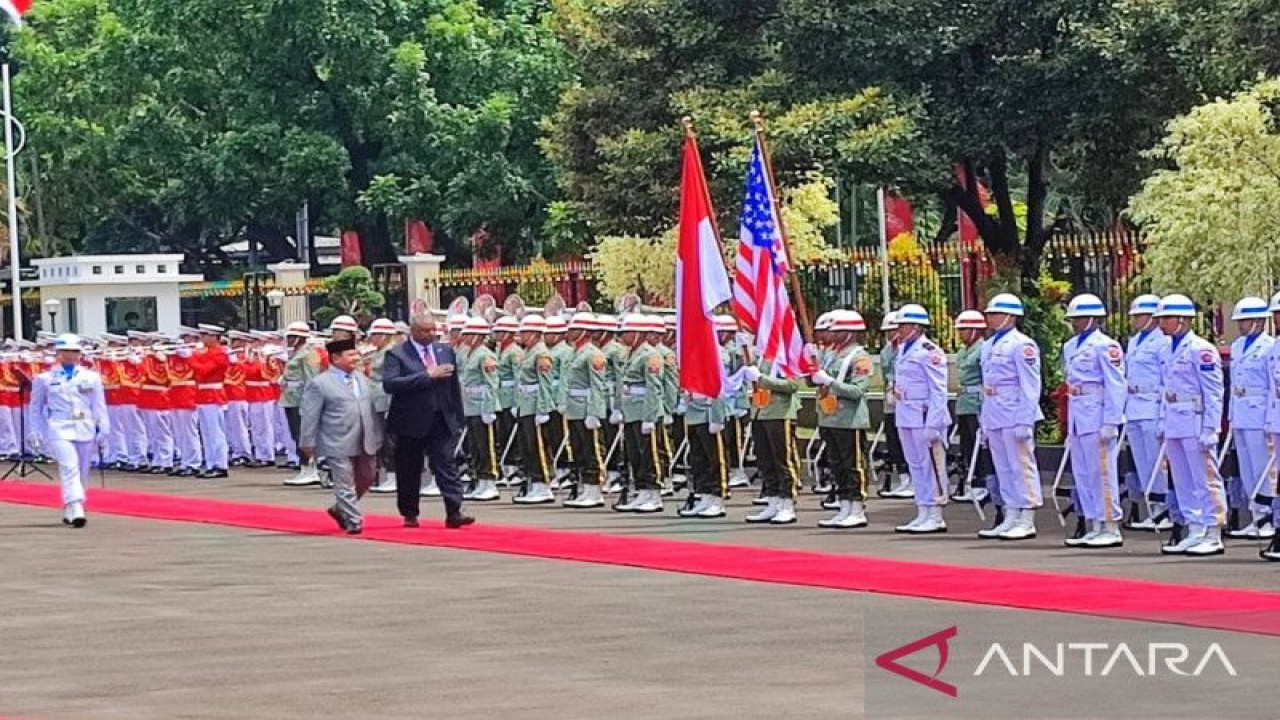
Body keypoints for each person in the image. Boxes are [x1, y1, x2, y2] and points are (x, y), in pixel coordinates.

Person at [381, 313, 474, 529]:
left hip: (441, 418)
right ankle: (410, 513)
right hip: (410, 421)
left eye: (434, 330)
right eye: (426, 330)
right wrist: (427, 375)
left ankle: (454, 510)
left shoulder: (445, 351)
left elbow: (453, 388)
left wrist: (458, 418)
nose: (432, 334)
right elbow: (391, 384)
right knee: (409, 469)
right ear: (413, 332)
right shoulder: (397, 354)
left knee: (446, 464)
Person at [1154, 294, 1228, 556]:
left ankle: (1213, 530)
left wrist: (1211, 428)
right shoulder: (1165, 349)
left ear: (1183, 320)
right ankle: (1195, 527)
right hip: (1175, 418)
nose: (1161, 323)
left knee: (1205, 478)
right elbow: (1165, 388)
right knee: (1183, 480)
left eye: (1166, 318)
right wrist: (1162, 421)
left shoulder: (1201, 350)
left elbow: (1214, 391)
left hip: (1195, 419)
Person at [1061, 293, 1128, 549]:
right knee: (1084, 473)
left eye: (1079, 318)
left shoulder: (1105, 346)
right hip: (1079, 414)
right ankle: (1094, 522)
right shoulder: (1071, 346)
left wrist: (1111, 420)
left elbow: (1115, 384)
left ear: (1092, 319)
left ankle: (1110, 524)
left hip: (1097, 412)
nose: (1075, 323)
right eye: (1073, 319)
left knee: (1103, 472)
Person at [300, 337, 383, 535]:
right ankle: (353, 519)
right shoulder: (319, 383)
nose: (356, 358)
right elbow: (310, 415)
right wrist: (307, 442)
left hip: (365, 436)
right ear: (336, 358)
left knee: (367, 477)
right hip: (336, 439)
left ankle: (340, 509)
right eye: (351, 355)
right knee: (344, 481)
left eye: (356, 353)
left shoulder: (361, 378)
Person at [977, 293, 1043, 541]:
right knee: (1003, 467)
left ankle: (1027, 517)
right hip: (995, 410)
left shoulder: (1022, 344)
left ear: (1011, 317)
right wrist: (984, 420)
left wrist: (1026, 420)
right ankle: (1011, 513)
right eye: (990, 314)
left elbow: (1030, 385)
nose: (990, 318)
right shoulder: (988, 345)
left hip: (1014, 410)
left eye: (995, 314)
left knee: (1021, 466)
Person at [28, 334, 110, 528]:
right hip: (59, 427)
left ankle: (71, 506)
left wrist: (104, 429)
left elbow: (99, 405)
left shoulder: (91, 377)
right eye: (67, 351)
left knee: (82, 469)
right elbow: (35, 407)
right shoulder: (45, 379)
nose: (72, 355)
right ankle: (76, 506)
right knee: (69, 466)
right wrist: (36, 431)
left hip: (84, 425)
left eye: (75, 351)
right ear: (58, 353)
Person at [890, 304, 951, 534]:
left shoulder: (929, 351)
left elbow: (939, 390)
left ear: (917, 326)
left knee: (932, 466)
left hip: (924, 415)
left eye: (904, 324)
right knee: (915, 465)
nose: (900, 329)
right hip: (906, 414)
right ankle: (922, 510)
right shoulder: (903, 349)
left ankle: (935, 513)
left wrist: (934, 423)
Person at [810, 309, 873, 529]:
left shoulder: (859, 357)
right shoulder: (830, 355)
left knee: (852, 465)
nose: (830, 335)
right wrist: (812, 370)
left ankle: (857, 508)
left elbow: (857, 391)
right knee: (836, 465)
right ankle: (844, 506)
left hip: (849, 419)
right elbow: (815, 381)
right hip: (829, 418)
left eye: (836, 331)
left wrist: (829, 382)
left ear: (849, 333)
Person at [1122, 294, 1174, 531]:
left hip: (1152, 404)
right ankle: (1153, 508)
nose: (1135, 320)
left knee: (1156, 461)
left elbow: (1167, 380)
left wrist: (1164, 415)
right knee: (1142, 462)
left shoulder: (1163, 342)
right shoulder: (1134, 341)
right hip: (1134, 405)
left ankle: (1165, 509)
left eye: (1140, 316)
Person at [1225, 297, 1275, 539]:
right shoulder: (1237, 346)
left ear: (1258, 321)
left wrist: (1269, 419)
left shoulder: (1269, 347)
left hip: (1259, 411)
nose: (1241, 325)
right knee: (1246, 468)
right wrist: (1231, 415)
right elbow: (1235, 384)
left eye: (1245, 321)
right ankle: (1255, 515)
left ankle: (1266, 516)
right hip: (1242, 412)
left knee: (1261, 466)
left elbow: (1270, 386)